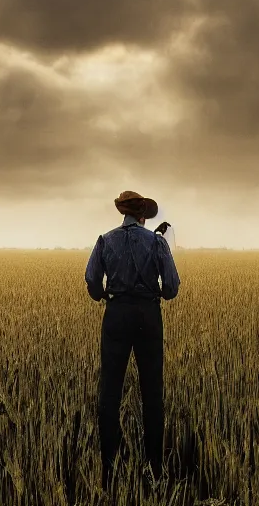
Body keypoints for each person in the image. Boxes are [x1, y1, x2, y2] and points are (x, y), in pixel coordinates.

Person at [84, 190, 181, 492]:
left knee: (109, 394)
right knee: (152, 394)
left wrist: (105, 296)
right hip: (148, 316)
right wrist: (157, 293)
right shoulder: (157, 242)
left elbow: (91, 281)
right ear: (143, 216)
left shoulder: (105, 240)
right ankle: (154, 469)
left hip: (116, 314)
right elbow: (173, 287)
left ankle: (108, 472)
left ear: (122, 214)